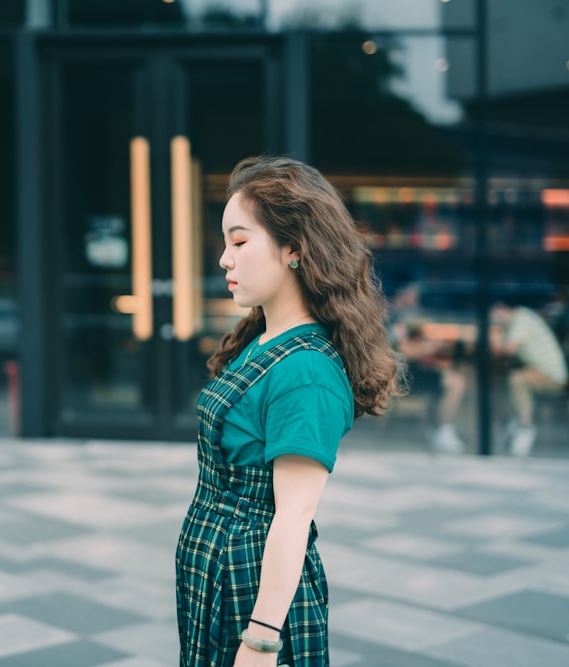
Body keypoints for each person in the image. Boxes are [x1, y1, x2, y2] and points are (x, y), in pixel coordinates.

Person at [176, 156, 400, 667]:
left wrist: (260, 642)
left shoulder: (307, 372)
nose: (224, 260)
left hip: (254, 586)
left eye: (238, 241)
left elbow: (294, 514)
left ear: (294, 249)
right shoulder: (263, 337)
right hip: (220, 572)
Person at [387, 282, 469, 453]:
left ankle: (437, 429)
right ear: (400, 293)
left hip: (404, 372)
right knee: (456, 382)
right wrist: (431, 347)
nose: (415, 298)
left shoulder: (398, 315)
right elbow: (405, 351)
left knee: (450, 378)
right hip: (397, 378)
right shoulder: (390, 316)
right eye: (412, 294)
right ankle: (443, 432)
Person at [490, 301, 569, 456]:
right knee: (507, 382)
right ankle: (514, 422)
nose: (493, 319)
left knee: (517, 379)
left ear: (500, 309)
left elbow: (508, 349)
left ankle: (525, 428)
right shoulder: (516, 321)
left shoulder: (521, 318)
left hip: (553, 376)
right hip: (537, 371)